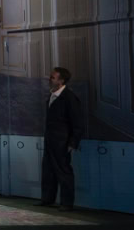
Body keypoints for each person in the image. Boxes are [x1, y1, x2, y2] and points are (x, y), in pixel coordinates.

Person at [38, 67, 84, 211]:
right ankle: (47, 199)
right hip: (51, 139)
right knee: (48, 170)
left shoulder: (69, 98)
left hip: (62, 142)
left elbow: (77, 122)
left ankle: (66, 203)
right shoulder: (53, 95)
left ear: (61, 80)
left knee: (64, 172)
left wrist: (73, 143)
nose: (50, 79)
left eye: (53, 77)